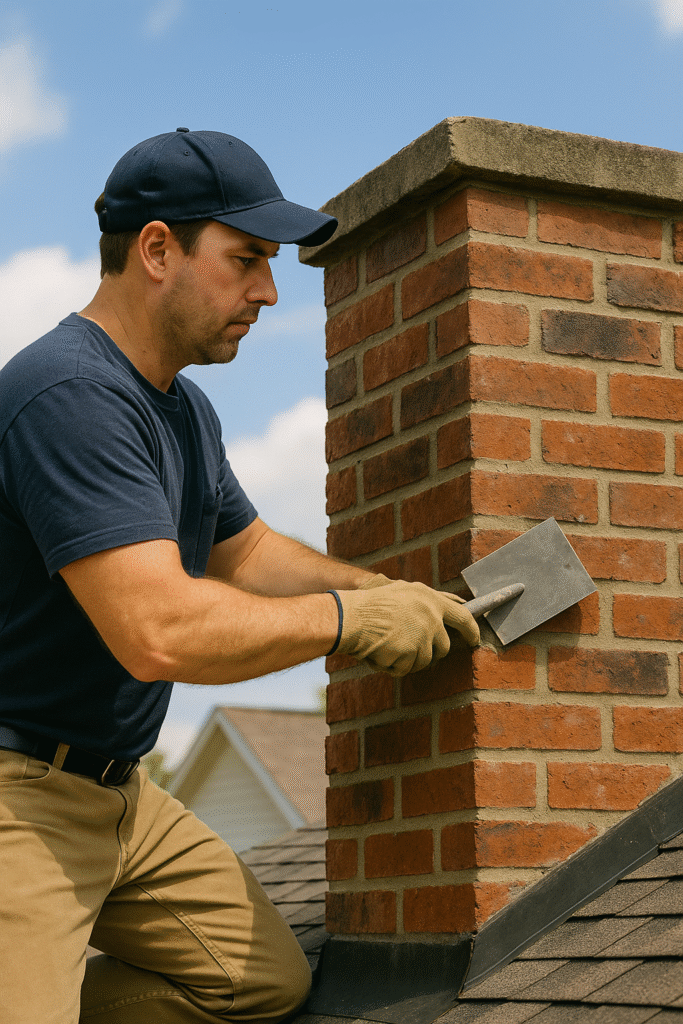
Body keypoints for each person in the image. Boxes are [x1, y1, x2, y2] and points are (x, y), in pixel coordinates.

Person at [0, 128, 479, 1024]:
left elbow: (248, 555)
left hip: (121, 794)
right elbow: (159, 633)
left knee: (258, 984)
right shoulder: (67, 396)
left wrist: (385, 594)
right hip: (16, 793)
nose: (267, 289)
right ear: (156, 248)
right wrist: (347, 623)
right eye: (247, 258)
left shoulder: (182, 408)